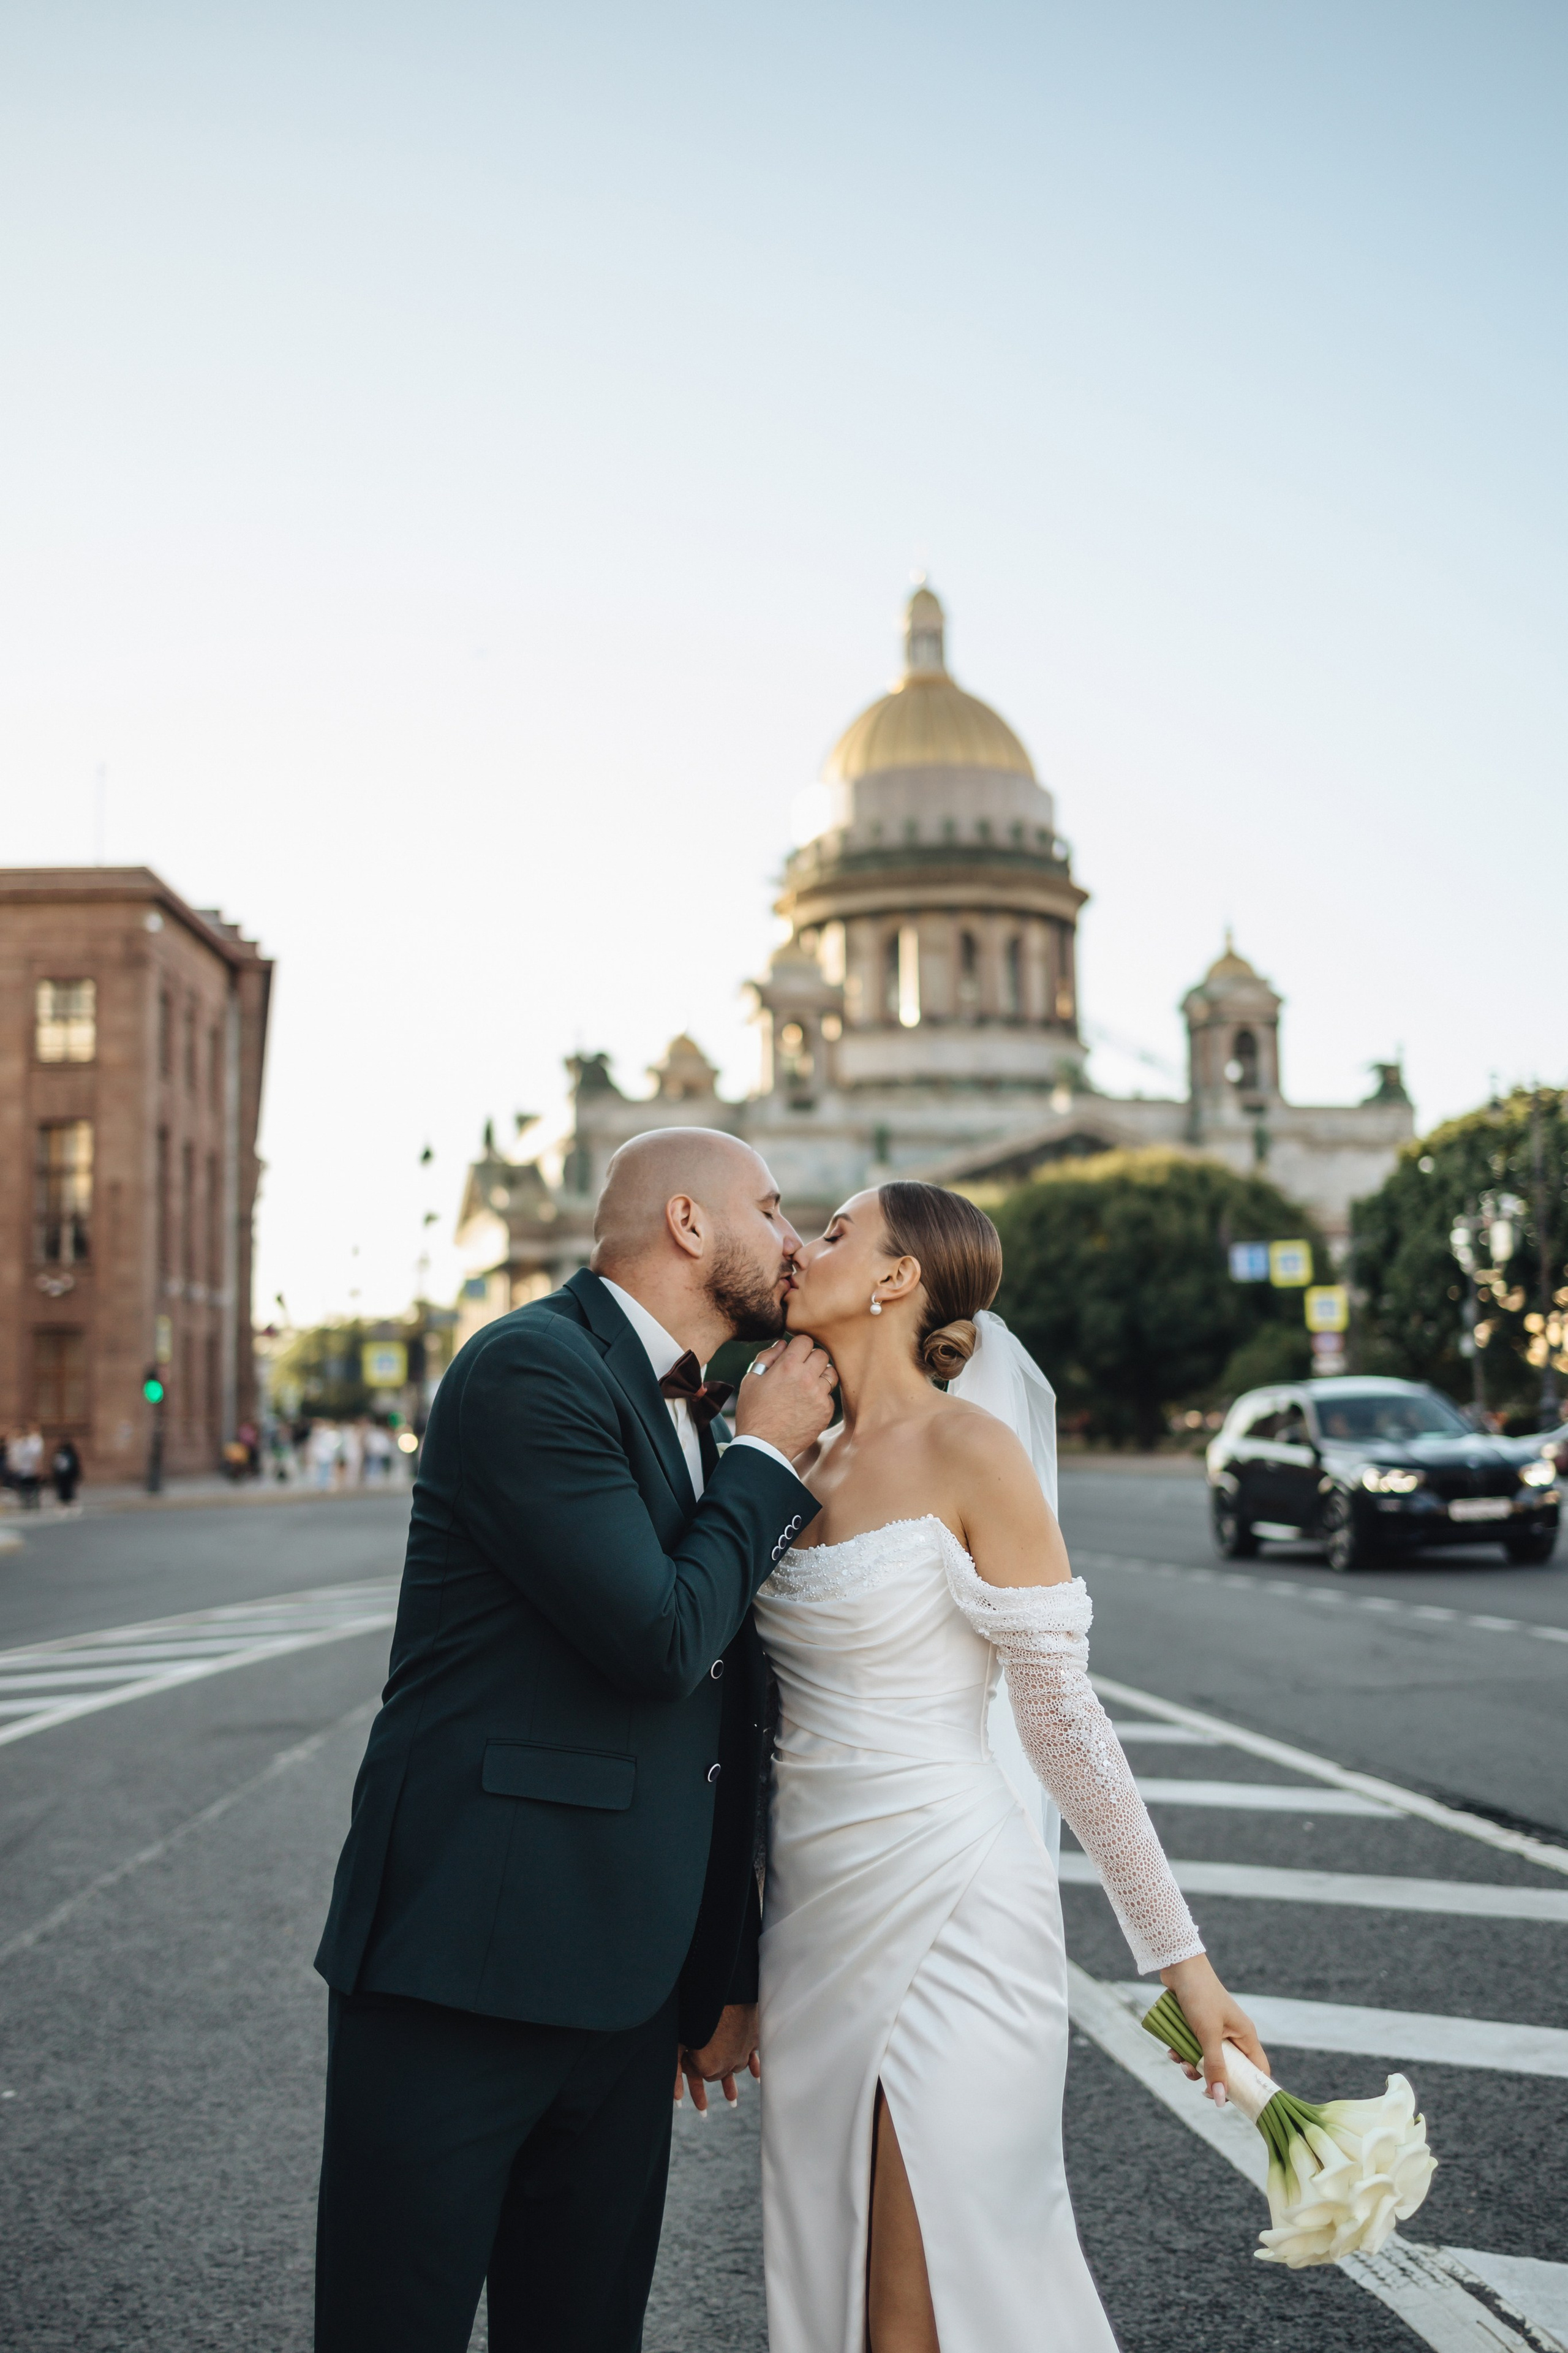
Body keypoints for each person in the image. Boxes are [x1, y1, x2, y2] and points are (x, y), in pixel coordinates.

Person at [312, 1129, 836, 2353]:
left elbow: (724, 1711)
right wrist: (763, 1457)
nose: (795, 1241)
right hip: (467, 1962)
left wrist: (724, 1971)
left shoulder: (705, 1407)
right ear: (689, 1225)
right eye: (771, 1210)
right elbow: (657, 1640)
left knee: (581, 2331)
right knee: (395, 2326)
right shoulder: (529, 1368)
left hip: (624, 1982)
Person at [756, 1181, 1266, 2353]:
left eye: (834, 1234)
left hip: (960, 1907)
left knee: (934, 2292)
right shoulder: (787, 1458)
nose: (799, 1246)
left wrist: (1183, 1969)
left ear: (895, 1280)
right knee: (832, 2266)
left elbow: (1064, 1728)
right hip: (813, 1921)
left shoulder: (971, 1448)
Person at [10, 1426, 44, 1511]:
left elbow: (36, 1457)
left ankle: (35, 1504)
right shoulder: (17, 1444)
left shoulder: (31, 1444)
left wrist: (38, 1468)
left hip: (31, 1470)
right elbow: (14, 1458)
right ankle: (25, 1504)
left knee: (33, 1487)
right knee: (23, 1488)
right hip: (22, 1471)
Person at [50, 1436, 81, 1507]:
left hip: (69, 1474)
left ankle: (69, 1500)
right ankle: (63, 1500)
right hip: (62, 1475)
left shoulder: (71, 1454)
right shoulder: (60, 1454)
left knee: (69, 1488)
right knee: (63, 1488)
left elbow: (75, 1465)